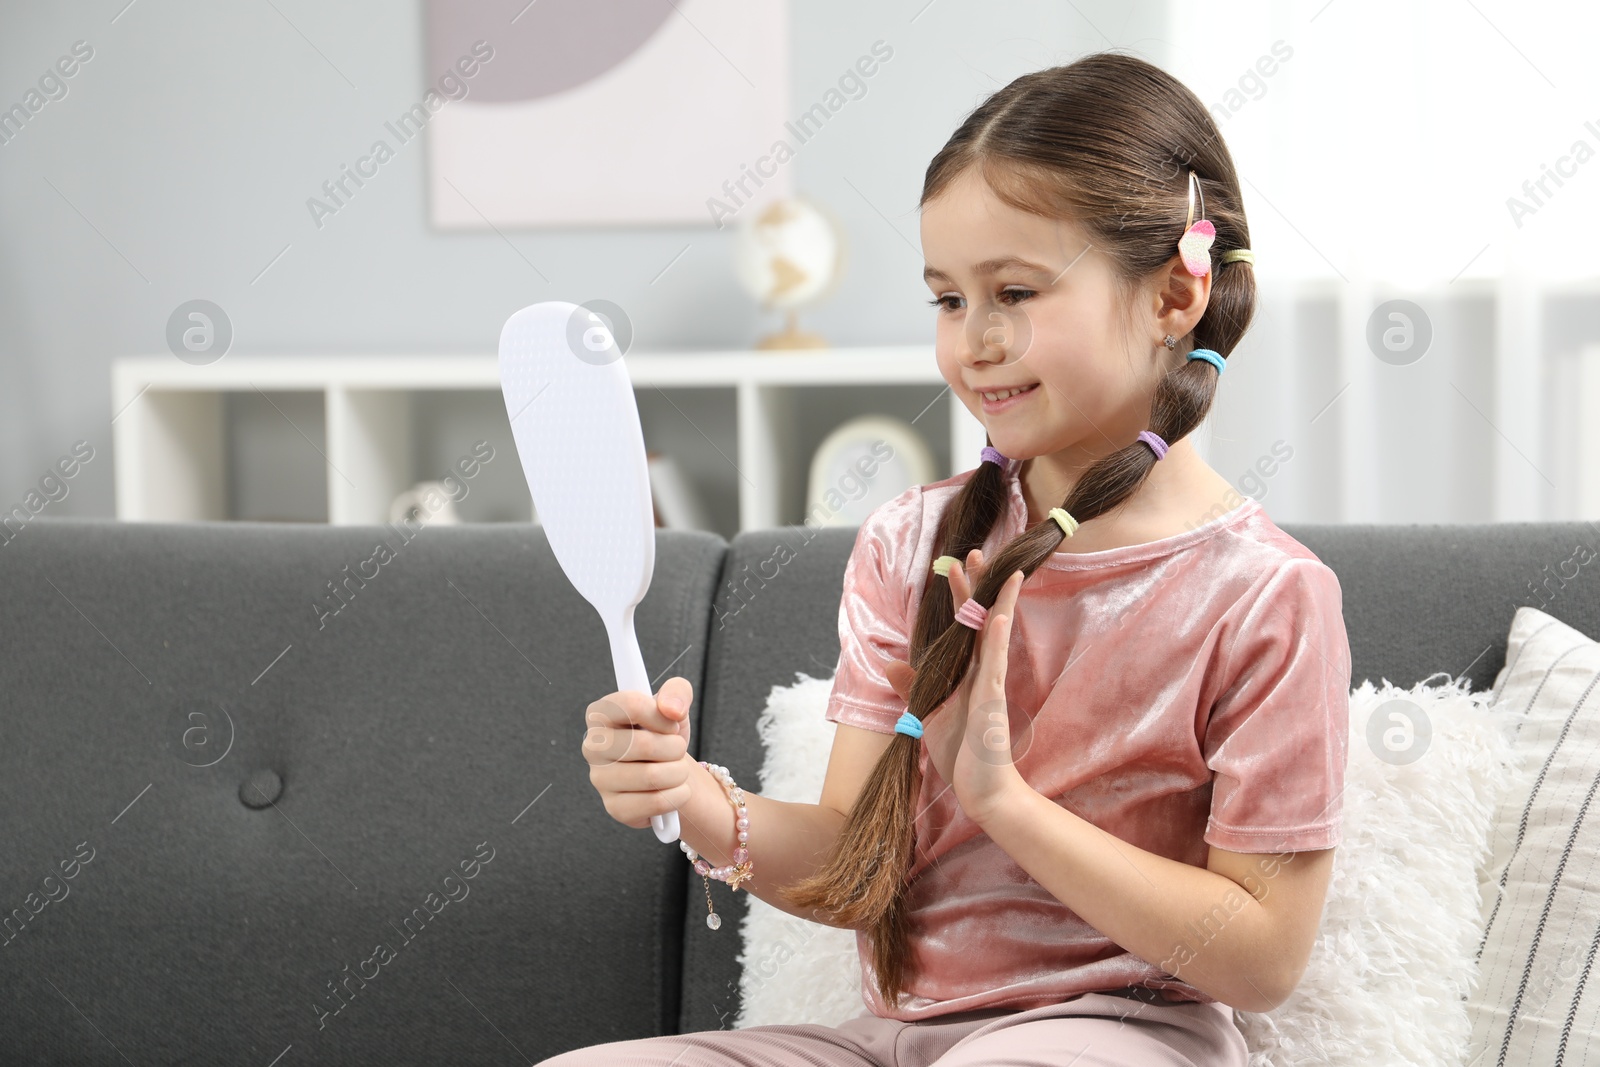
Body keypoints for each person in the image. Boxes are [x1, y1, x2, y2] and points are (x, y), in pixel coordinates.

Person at [559, 50, 1349, 1067]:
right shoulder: (911, 541)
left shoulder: (1263, 595)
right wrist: (693, 798)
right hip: (895, 1041)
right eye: (945, 300)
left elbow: (1261, 955)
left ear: (1175, 293)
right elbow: (853, 856)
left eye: (1013, 290)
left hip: (1125, 1035)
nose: (972, 342)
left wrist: (1003, 799)